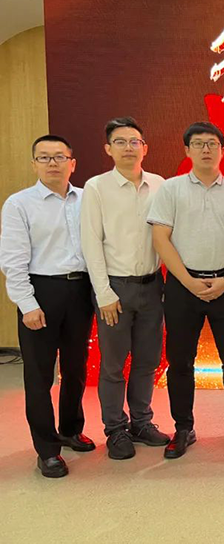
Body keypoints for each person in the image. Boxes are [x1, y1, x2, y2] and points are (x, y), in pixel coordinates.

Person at [148, 121, 224, 459]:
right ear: (187, 150)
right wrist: (187, 280)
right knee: (180, 361)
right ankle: (183, 427)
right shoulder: (171, 189)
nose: (206, 149)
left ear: (222, 150)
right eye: (198, 143)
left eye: (212, 143)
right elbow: (160, 239)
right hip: (183, 287)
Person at [0, 135, 95, 478]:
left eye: (59, 157)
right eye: (44, 157)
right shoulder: (19, 204)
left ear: (73, 163)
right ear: (34, 164)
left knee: (76, 368)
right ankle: (47, 450)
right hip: (41, 290)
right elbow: (12, 260)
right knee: (39, 375)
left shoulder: (88, 199)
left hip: (81, 289)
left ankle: (70, 430)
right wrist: (27, 304)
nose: (52, 163)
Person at [80, 117, 169, 459]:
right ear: (108, 149)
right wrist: (103, 293)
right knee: (113, 366)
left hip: (152, 285)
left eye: (134, 142)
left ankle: (141, 422)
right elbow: (91, 243)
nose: (128, 147)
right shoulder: (96, 188)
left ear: (145, 148)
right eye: (120, 142)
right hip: (114, 289)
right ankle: (115, 429)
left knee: (147, 360)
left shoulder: (160, 185)